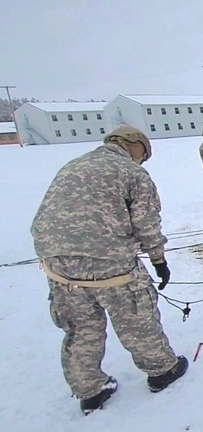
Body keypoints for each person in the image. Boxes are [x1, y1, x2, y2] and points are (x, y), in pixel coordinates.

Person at [31, 126, 187, 415]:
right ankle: (162, 369)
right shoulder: (131, 173)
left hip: (57, 265)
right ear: (133, 145)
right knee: (136, 316)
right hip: (110, 262)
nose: (143, 160)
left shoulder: (73, 166)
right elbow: (145, 223)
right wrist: (158, 260)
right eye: (144, 153)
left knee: (81, 329)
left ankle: (90, 390)